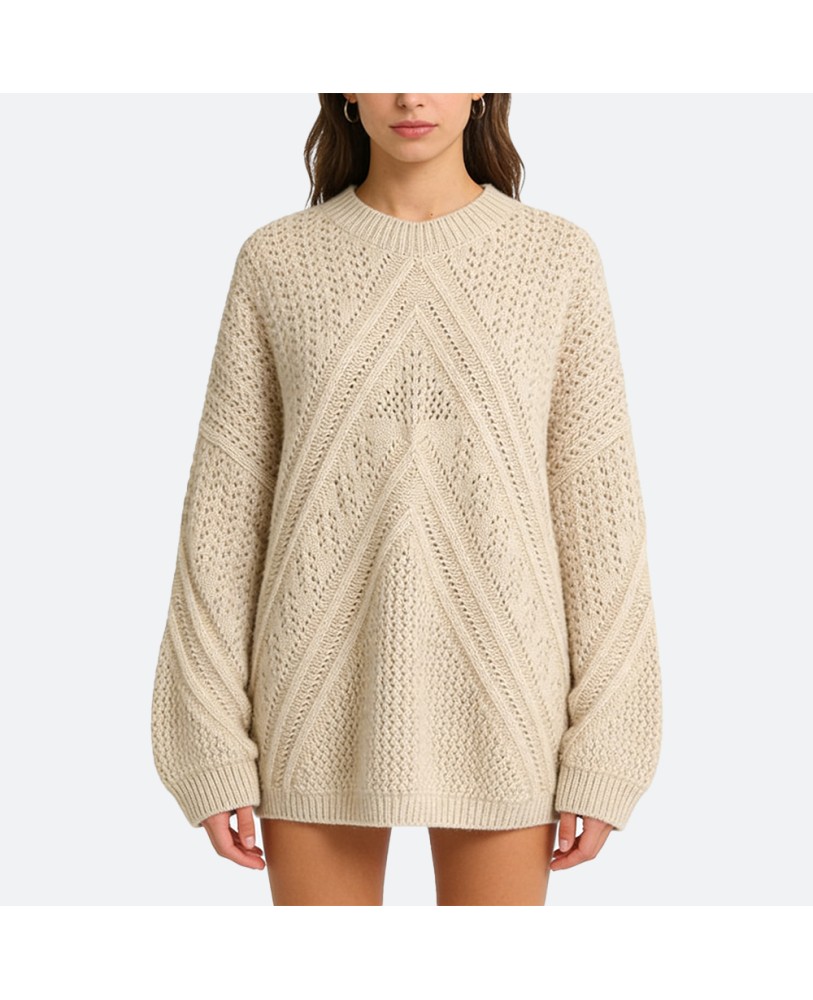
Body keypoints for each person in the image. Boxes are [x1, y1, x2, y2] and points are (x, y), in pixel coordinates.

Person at [150, 93, 663, 906]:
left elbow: (598, 515)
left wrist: (607, 750)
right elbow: (223, 515)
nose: (411, 95)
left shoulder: (555, 259)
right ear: (346, 88)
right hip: (313, 701)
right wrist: (207, 741)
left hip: (506, 702)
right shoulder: (278, 260)